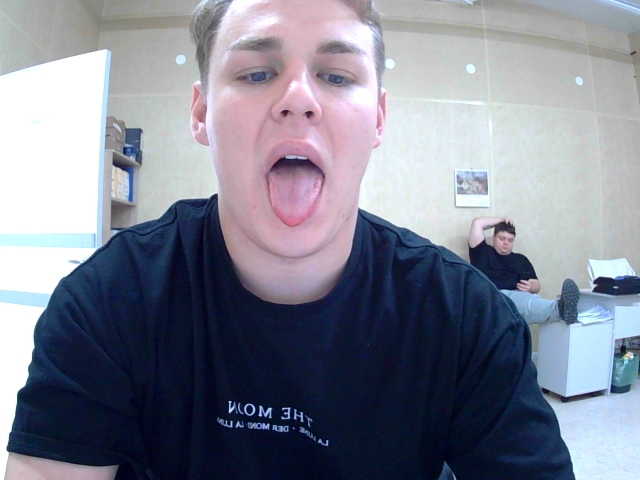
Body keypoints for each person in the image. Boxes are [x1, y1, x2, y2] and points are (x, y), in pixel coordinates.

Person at [5, 1, 575, 479]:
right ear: (201, 112)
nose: (298, 98)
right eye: (256, 73)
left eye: (337, 76)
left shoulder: (467, 320)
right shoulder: (105, 301)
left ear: (378, 119)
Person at [468, 216, 580, 325]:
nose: (506, 243)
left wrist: (531, 287)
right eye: (502, 238)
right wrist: (501, 220)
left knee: (528, 299)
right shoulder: (482, 252)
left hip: (515, 298)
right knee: (515, 299)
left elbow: (536, 285)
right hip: (488, 297)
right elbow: (477, 223)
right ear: (493, 237)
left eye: (510, 240)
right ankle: (559, 308)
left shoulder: (520, 260)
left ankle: (559, 308)